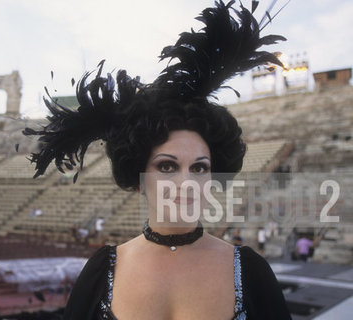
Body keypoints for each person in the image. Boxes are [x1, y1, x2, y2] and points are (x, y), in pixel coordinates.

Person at [22, 1, 291, 319]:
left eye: (200, 168)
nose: (186, 182)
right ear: (139, 179)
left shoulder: (250, 270)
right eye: (167, 166)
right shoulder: (101, 270)